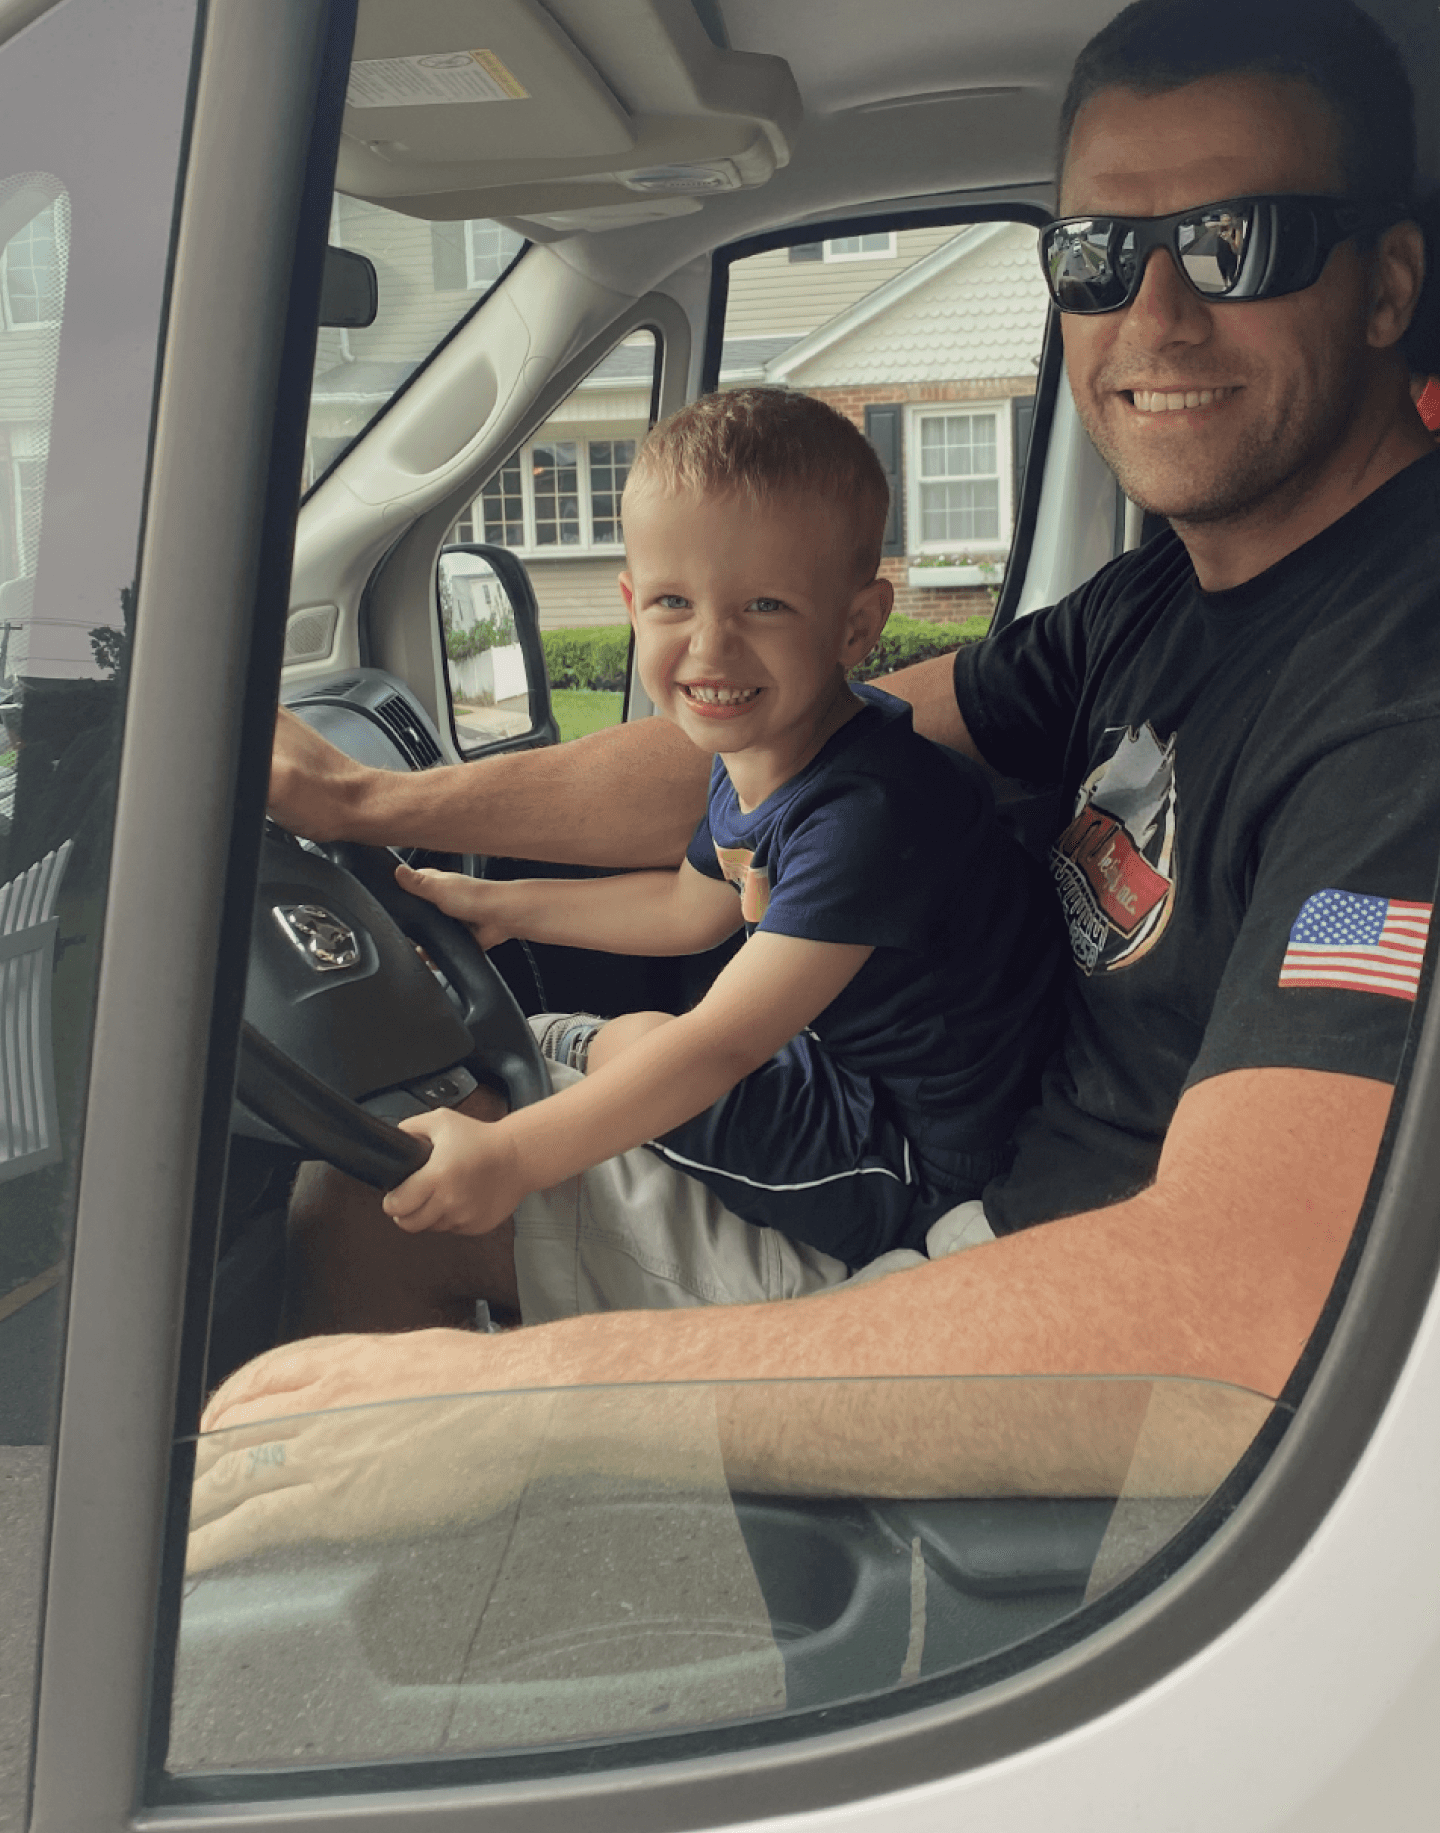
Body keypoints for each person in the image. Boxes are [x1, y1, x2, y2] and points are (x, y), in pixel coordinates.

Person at [199, 0, 1440, 1508]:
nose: (1153, 314)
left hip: (1054, 1337)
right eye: (1095, 255)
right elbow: (770, 748)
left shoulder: (1428, 688)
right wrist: (367, 799)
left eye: (1237, 243)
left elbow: (1256, 1327)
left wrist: (507, 1405)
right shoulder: (1171, 595)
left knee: (372, 1213)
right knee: (421, 1153)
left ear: (1389, 286)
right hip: (981, 1208)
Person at [387, 387, 1064, 1288]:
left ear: (856, 625)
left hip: (915, 1162)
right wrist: (499, 907)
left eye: (766, 607)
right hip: (849, 1073)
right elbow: (687, 906)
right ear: (632, 604)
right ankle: (573, 1058)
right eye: (673, 601)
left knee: (650, 1053)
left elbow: (720, 1047)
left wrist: (509, 1158)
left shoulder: (870, 815)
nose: (711, 649)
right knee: (629, 1038)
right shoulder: (764, 748)